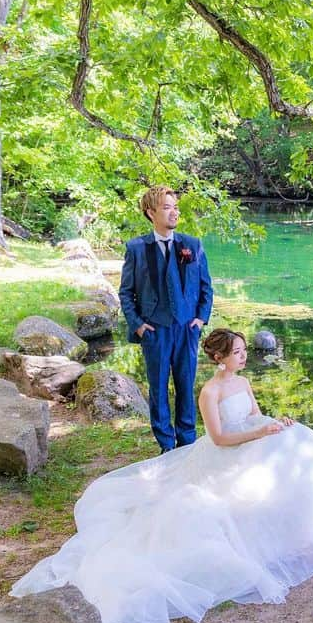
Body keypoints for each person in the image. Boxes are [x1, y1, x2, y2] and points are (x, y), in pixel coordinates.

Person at [10, 329, 313, 623]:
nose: (245, 357)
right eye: (238, 353)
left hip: (252, 438)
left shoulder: (243, 383)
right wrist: (259, 433)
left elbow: (254, 416)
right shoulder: (209, 392)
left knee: (300, 441)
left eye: (245, 351)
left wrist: (277, 424)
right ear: (220, 358)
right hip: (226, 453)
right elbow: (220, 437)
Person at [119, 186, 213, 452]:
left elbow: (206, 286)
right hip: (154, 330)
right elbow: (126, 292)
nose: (174, 212)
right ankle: (166, 446)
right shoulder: (137, 248)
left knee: (186, 386)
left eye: (176, 207)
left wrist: (200, 320)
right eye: (167, 207)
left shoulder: (192, 245)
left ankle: (187, 444)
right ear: (151, 213)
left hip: (186, 329)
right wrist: (138, 326)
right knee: (158, 390)